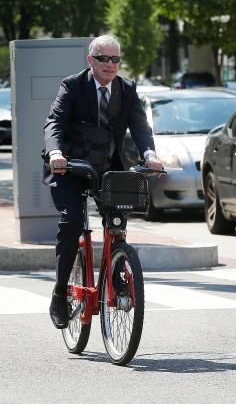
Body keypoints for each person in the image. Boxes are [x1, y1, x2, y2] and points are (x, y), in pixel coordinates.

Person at [42, 35, 163, 329]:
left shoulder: (127, 88)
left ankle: (119, 269)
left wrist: (150, 154)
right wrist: (55, 152)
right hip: (69, 168)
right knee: (72, 223)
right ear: (90, 61)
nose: (110, 65)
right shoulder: (73, 86)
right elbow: (54, 122)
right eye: (103, 59)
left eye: (115, 59)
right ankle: (60, 293)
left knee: (118, 222)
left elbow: (140, 127)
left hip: (108, 170)